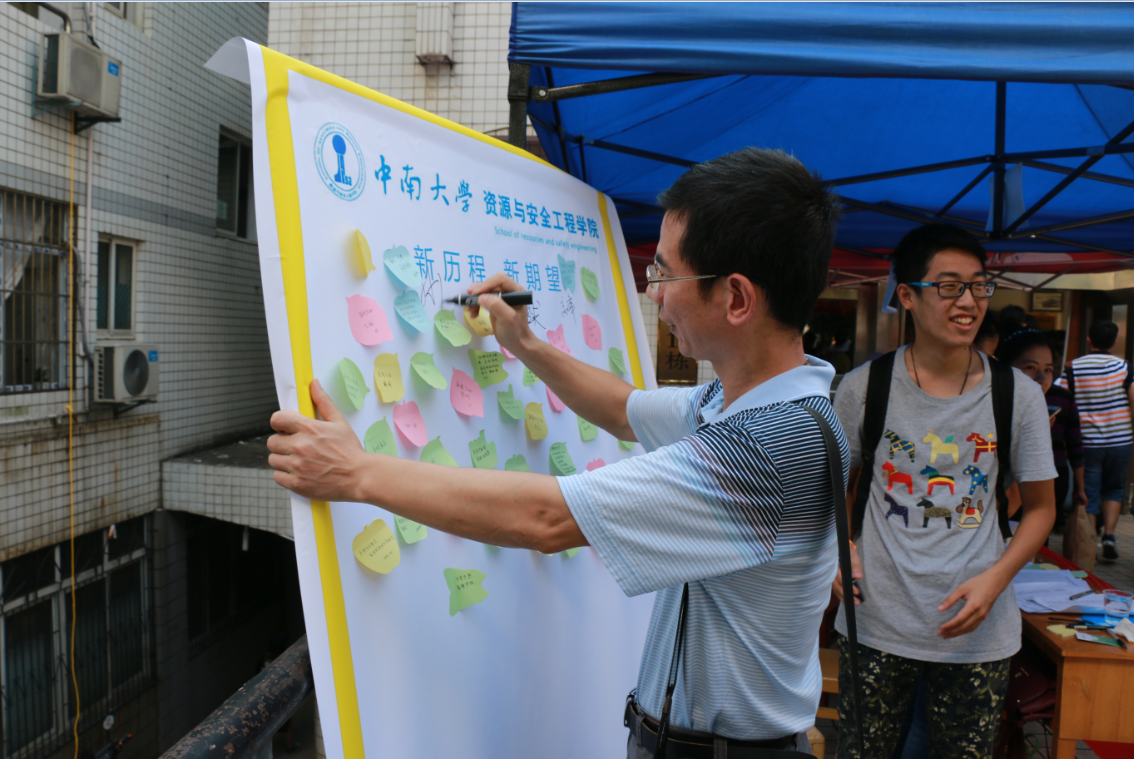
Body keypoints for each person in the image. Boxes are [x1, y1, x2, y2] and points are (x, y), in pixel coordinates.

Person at [267, 148, 846, 756]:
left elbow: (547, 518)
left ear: (737, 299)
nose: (654, 295)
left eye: (665, 276)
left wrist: (357, 472)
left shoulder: (769, 445)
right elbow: (623, 408)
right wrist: (524, 342)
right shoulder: (750, 403)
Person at [831, 223, 1056, 759]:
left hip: (978, 632)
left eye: (979, 286)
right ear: (907, 296)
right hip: (876, 622)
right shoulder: (864, 387)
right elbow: (827, 492)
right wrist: (838, 553)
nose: (969, 302)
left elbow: (1042, 509)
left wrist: (996, 580)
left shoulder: (1017, 394)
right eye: (950, 286)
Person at [996, 328, 1086, 541]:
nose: (1041, 378)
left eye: (1048, 369)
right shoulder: (991, 411)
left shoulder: (1059, 400)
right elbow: (1008, 505)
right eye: (1030, 367)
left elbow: (1075, 444)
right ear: (1002, 367)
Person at [1057, 320, 1134, 560]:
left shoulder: (1073, 368)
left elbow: (1060, 396)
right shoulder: (1125, 368)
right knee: (1114, 488)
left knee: (1087, 492)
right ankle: (1109, 535)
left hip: (1087, 442)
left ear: (1089, 340)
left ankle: (1086, 541)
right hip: (1120, 440)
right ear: (1114, 342)